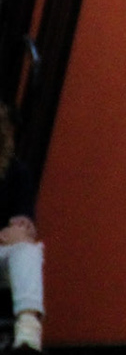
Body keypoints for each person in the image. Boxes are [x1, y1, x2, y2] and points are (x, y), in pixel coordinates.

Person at [0, 107, 43, 352]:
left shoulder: (17, 173)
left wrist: (19, 230)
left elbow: (23, 227)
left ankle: (28, 331)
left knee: (28, 250)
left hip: (3, 255)